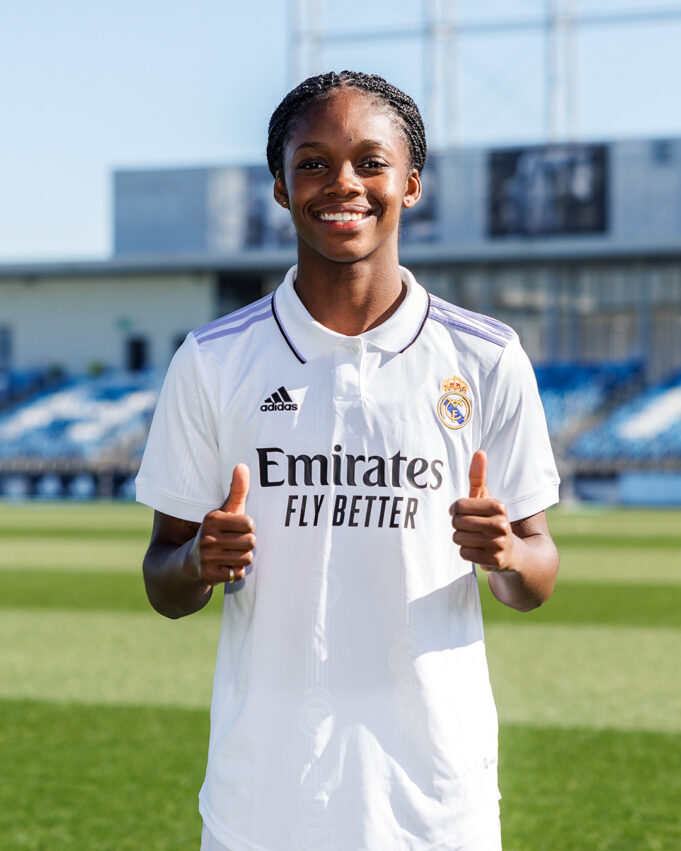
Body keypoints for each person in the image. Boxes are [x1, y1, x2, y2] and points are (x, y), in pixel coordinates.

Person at [137, 70, 560, 851]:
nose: (343, 183)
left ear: (411, 183)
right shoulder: (212, 360)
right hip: (264, 799)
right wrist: (198, 558)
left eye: (370, 160)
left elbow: (533, 576)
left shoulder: (487, 355)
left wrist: (502, 552)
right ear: (278, 185)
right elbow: (163, 580)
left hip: (436, 802)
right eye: (312, 161)